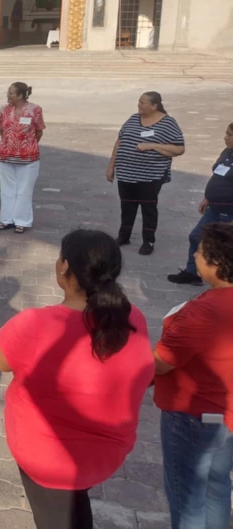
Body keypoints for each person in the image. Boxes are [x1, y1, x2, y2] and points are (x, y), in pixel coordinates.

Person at [0, 229, 154, 529]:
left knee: (54, 517)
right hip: (104, 455)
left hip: (47, 458)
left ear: (65, 269)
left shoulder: (34, 324)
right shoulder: (133, 318)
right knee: (74, 505)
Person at [154, 223, 233, 529]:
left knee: (187, 497)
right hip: (225, 415)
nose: (195, 255)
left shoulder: (205, 312)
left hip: (194, 415)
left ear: (216, 263)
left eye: (199, 252)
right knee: (217, 487)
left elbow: (162, 362)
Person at [106, 91, 184, 255]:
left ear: (154, 106)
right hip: (126, 173)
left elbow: (179, 148)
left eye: (142, 102)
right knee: (127, 206)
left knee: (148, 208)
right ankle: (124, 236)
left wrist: (152, 146)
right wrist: (111, 166)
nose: (139, 105)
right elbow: (119, 142)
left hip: (150, 175)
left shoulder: (168, 123)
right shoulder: (133, 118)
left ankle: (148, 240)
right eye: (139, 102)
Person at [168, 122, 233, 285]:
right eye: (226, 133)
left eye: (229, 135)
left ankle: (223, 280)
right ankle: (192, 273)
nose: (225, 137)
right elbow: (218, 176)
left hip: (228, 211)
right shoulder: (227, 152)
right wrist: (207, 197)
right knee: (196, 236)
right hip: (214, 207)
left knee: (223, 246)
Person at [0, 82, 45, 234]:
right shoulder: (4, 109)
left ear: (20, 95)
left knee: (24, 190)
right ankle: (6, 219)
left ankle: (22, 221)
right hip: (6, 155)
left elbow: (38, 131)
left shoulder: (34, 110)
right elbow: (2, 130)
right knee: (7, 189)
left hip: (28, 157)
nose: (8, 95)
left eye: (11, 93)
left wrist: (28, 145)